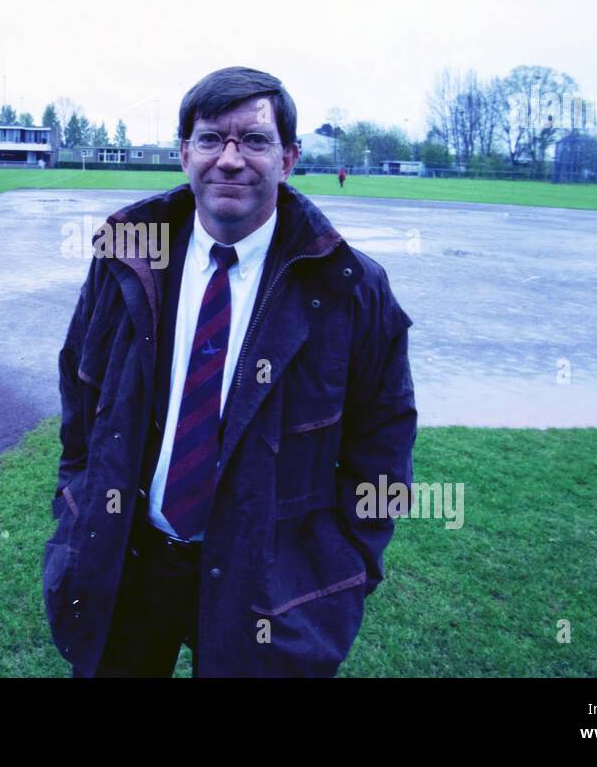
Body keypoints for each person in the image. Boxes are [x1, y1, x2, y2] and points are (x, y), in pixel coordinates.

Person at [43, 65, 416, 677]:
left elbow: (385, 442)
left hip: (268, 579)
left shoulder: (351, 288)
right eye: (212, 138)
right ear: (184, 152)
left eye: (256, 140)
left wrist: (345, 567)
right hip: (129, 557)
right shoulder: (126, 256)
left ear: (289, 158)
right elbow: (79, 397)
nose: (231, 159)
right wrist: (76, 503)